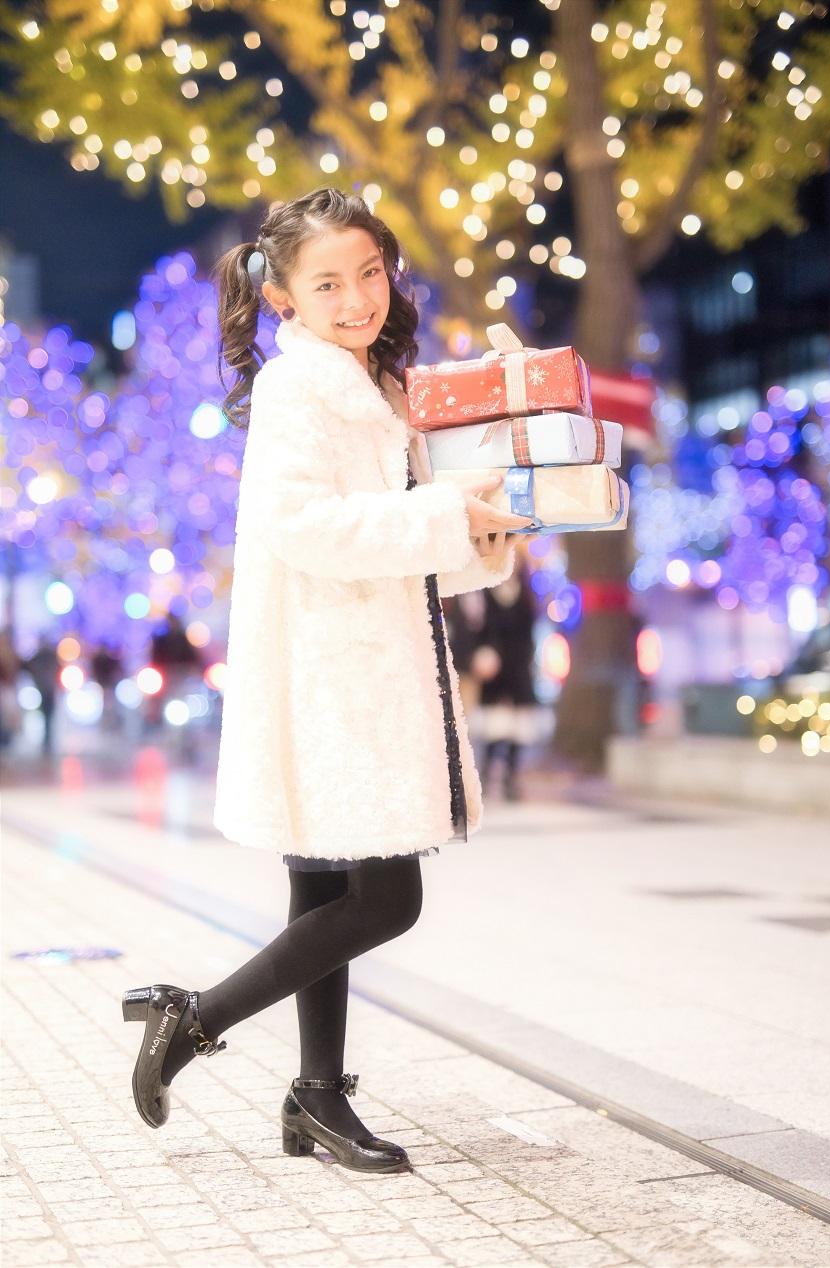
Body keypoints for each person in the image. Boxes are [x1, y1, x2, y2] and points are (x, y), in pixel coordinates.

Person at [121, 186, 534, 1175]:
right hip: (334, 673)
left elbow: (410, 544)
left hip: (359, 658)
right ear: (284, 298)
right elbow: (300, 526)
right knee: (387, 899)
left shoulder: (379, 386)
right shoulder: (298, 388)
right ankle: (195, 1017)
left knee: (322, 895)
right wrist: (445, 517)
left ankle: (316, 1096)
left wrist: (475, 538)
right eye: (328, 284)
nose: (357, 298)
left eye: (370, 274)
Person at [470, 558, 539, 801]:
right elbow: (480, 632)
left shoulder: (526, 595)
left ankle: (511, 778)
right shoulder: (486, 592)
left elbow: (529, 634)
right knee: (494, 730)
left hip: (518, 671)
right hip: (495, 672)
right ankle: (487, 777)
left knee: (517, 731)